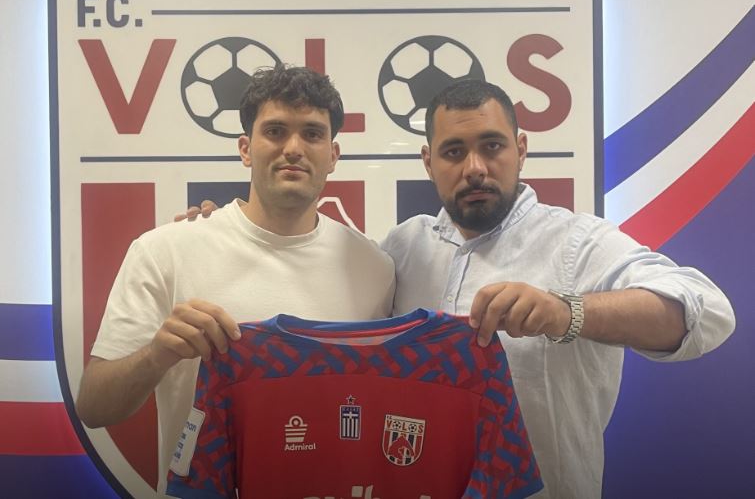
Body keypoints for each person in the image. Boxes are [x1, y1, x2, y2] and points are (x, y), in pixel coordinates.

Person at [185, 79, 735, 499]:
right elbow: (307, 263)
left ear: (521, 149)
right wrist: (223, 229)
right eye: (453, 152)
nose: (475, 167)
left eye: (492, 146)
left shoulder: (579, 243)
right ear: (429, 162)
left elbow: (707, 313)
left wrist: (563, 312)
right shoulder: (402, 247)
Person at [75, 65, 395, 496]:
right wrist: (156, 355)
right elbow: (94, 407)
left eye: (312, 134)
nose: (294, 148)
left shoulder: (375, 268)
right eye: (275, 131)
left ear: (333, 155)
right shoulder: (165, 250)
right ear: (246, 148)